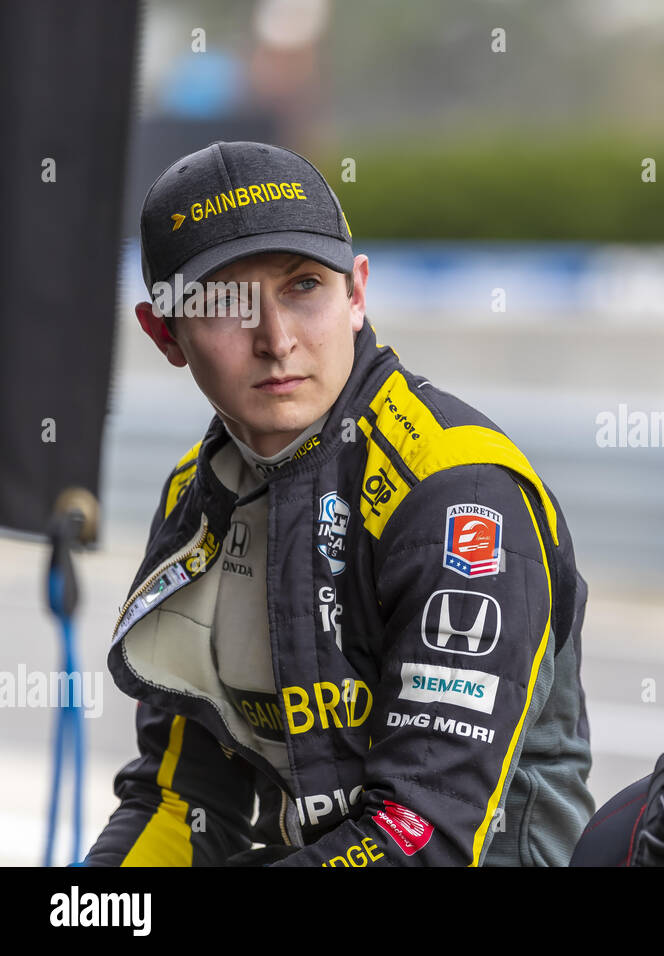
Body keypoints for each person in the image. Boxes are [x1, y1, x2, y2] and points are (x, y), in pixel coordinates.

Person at [84, 141, 594, 866]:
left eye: (302, 287)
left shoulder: (456, 496)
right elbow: (181, 802)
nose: (277, 340)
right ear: (164, 332)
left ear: (356, 294)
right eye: (227, 303)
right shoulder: (197, 497)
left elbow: (424, 837)